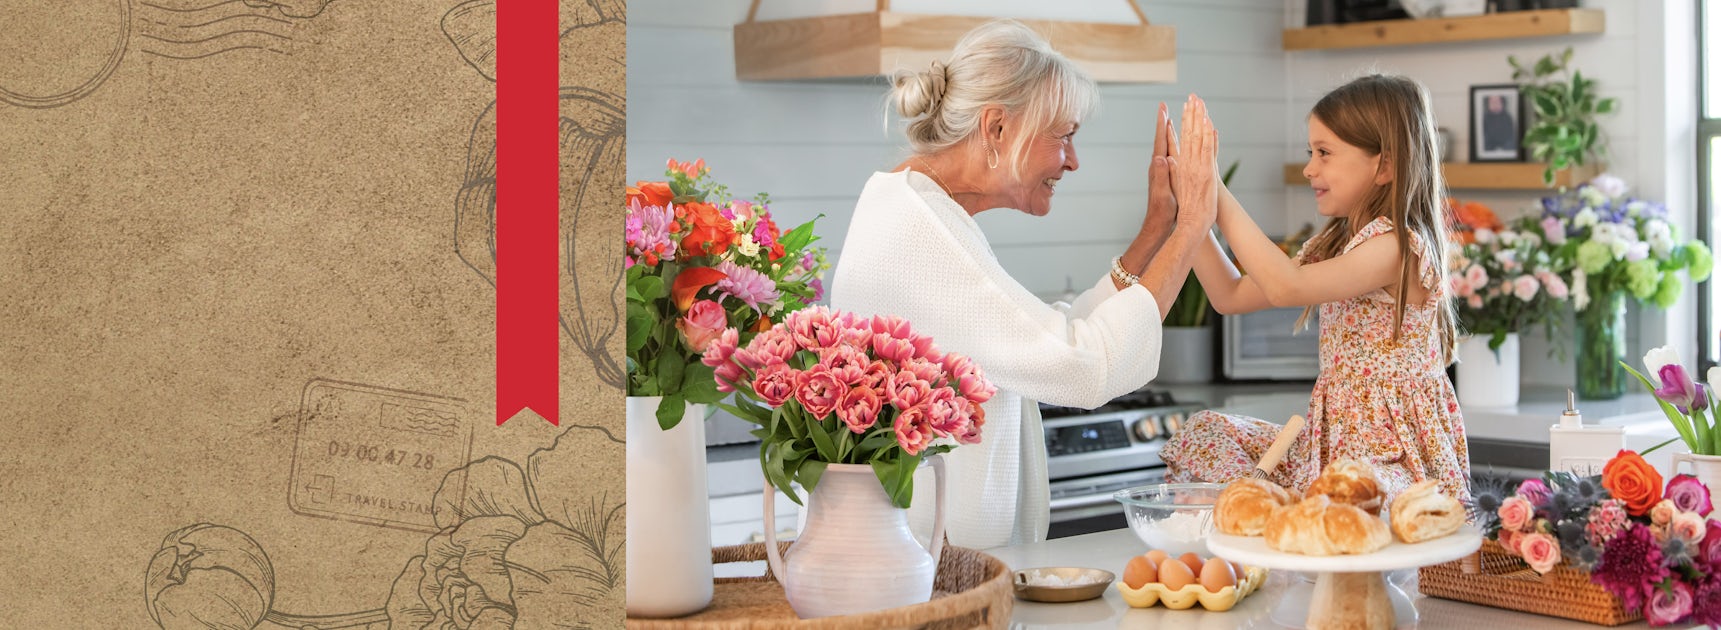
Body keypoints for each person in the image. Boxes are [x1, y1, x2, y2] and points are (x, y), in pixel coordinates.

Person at [828, 19, 1221, 549]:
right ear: (996, 128)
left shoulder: (913, 206)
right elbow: (1084, 366)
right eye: (1064, 136)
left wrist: (1157, 228)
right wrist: (1192, 226)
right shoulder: (921, 231)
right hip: (930, 569)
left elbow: (1045, 339)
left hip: (926, 557)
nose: (1073, 161)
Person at [1160, 74, 1472, 505]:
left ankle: (1288, 511)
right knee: (1207, 431)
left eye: (1324, 153)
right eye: (1311, 153)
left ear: (1385, 166)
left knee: (1355, 495)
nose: (1310, 168)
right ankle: (1278, 511)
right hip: (1328, 458)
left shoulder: (1398, 249)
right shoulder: (1335, 246)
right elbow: (1228, 295)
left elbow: (1285, 288)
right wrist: (1191, 214)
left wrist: (1215, 190)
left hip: (1394, 468)